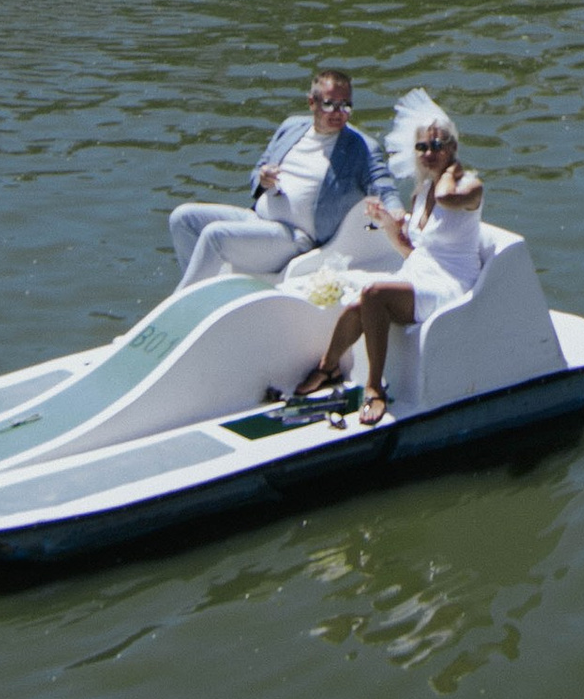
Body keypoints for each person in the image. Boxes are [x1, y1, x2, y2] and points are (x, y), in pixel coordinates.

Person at [292, 111, 485, 428]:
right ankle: (329, 367)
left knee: (375, 294)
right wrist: (387, 226)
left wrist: (451, 170)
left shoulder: (468, 187)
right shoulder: (422, 193)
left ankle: (375, 388)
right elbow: (413, 251)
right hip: (420, 274)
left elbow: (447, 196)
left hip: (450, 284)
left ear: (452, 147)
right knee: (358, 307)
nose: (428, 154)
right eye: (421, 147)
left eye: (436, 145)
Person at [168, 65, 390, 282]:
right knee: (182, 218)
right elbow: (258, 170)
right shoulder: (291, 127)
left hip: (294, 237)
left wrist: (395, 210)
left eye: (345, 106)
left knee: (215, 235)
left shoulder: (360, 146)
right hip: (257, 219)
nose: (338, 113)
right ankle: (200, 286)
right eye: (330, 104)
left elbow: (382, 184)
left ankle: (184, 304)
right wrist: (263, 179)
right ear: (312, 103)